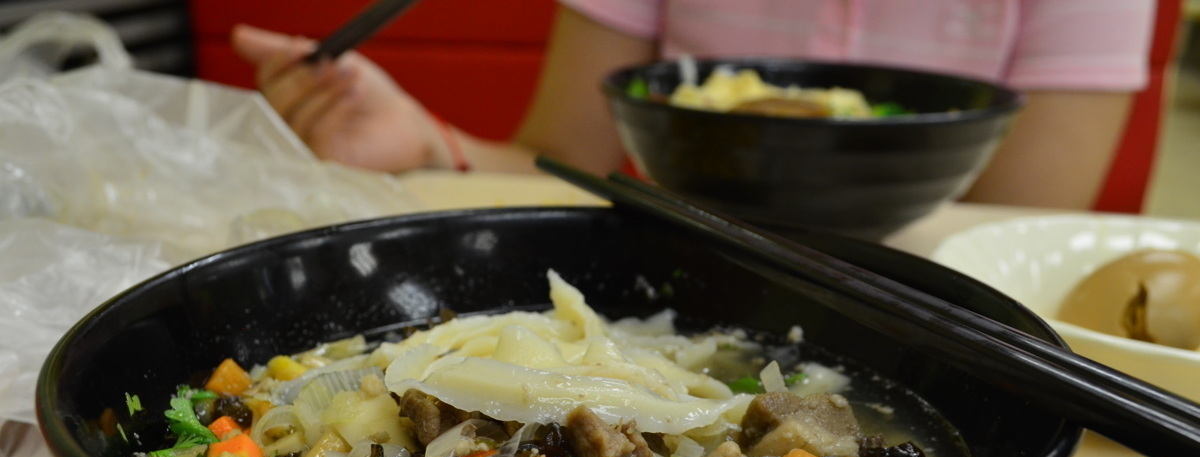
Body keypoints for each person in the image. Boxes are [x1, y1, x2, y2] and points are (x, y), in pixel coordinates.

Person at [230, 0, 1158, 210]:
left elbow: (1012, 228)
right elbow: (563, 156)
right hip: (679, 277)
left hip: (928, 317)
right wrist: (427, 138)